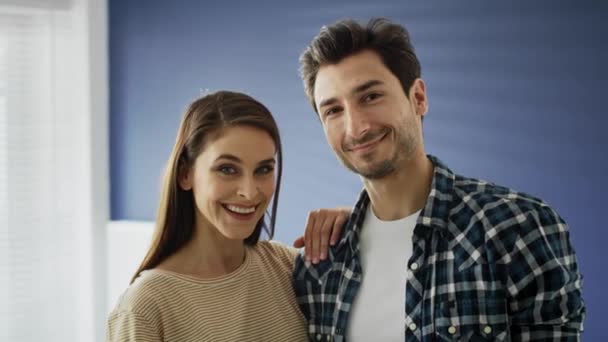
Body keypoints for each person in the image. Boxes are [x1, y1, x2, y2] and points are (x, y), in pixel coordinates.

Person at [293, 18, 585, 341]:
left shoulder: (518, 229)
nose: (355, 128)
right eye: (333, 111)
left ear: (418, 97)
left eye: (371, 96)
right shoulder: (319, 265)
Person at [106, 91, 349, 341]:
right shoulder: (144, 308)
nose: (249, 191)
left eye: (263, 169)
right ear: (185, 174)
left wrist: (358, 222)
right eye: (227, 169)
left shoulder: (288, 268)